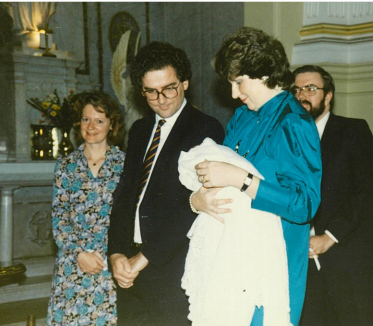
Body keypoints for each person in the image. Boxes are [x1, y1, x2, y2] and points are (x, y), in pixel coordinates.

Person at [191, 27, 322, 326]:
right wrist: (197, 198)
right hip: (232, 257)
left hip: (271, 266)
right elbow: (221, 177)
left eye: (239, 82)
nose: (234, 94)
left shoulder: (294, 122)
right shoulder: (243, 116)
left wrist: (242, 179)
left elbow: (304, 205)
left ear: (263, 72)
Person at [107, 41, 225, 325]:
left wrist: (144, 257)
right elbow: (124, 197)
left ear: (184, 82)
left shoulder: (205, 128)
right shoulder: (139, 130)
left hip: (173, 267)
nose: (161, 99)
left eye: (169, 87)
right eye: (151, 92)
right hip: (131, 266)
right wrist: (116, 253)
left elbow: (191, 206)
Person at [292, 65, 373, 326]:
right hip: (303, 262)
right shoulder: (287, 140)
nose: (303, 95)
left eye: (311, 88)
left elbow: (365, 191)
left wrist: (329, 236)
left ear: (328, 95)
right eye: (297, 90)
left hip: (350, 257)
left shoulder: (353, 131)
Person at [46, 91, 126, 326]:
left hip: (108, 264)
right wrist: (79, 253)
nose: (91, 126)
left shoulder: (126, 165)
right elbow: (59, 218)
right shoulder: (66, 166)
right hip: (72, 265)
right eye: (85, 119)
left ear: (111, 125)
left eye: (99, 120)